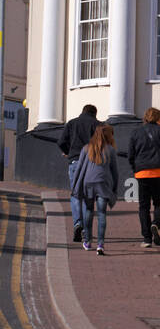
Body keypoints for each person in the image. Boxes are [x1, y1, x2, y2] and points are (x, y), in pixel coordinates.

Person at [128, 108, 160, 248]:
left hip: (142, 173)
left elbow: (131, 154)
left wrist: (135, 168)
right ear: (159, 118)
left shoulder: (136, 132)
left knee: (143, 205)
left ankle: (147, 238)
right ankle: (156, 223)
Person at [71, 123, 119, 255]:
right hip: (103, 184)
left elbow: (79, 168)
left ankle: (87, 241)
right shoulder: (110, 150)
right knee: (102, 213)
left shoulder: (86, 148)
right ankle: (100, 245)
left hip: (88, 183)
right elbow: (115, 172)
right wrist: (114, 189)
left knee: (89, 211)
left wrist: (75, 186)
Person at [58, 103, 98, 242]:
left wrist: (69, 152)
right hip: (92, 164)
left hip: (75, 161)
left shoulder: (72, 123)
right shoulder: (98, 125)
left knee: (76, 195)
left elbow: (61, 142)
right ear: (94, 113)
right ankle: (86, 230)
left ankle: (78, 224)